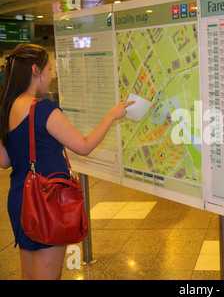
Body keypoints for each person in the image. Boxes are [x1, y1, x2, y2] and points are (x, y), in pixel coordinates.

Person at [0, 44, 134, 280]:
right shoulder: (42, 109)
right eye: (49, 68)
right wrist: (112, 115)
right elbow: (83, 145)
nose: (51, 74)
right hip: (46, 200)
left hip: (21, 198)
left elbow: (4, 161)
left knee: (28, 275)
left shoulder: (6, 107)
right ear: (35, 70)